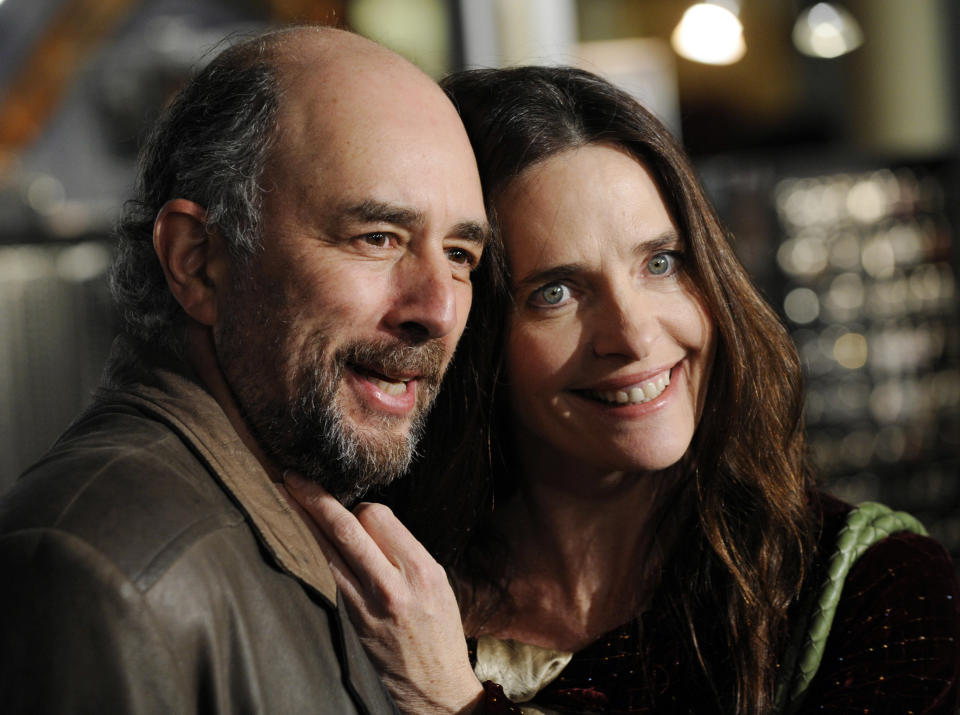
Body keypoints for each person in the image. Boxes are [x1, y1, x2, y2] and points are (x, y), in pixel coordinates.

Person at [285, 65, 960, 714]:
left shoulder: (875, 592)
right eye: (556, 291)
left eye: (660, 263)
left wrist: (449, 702)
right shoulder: (368, 584)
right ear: (471, 329)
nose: (634, 335)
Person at [0, 26, 491, 713]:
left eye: (461, 254)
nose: (437, 309)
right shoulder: (96, 573)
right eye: (377, 238)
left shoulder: (310, 507)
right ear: (197, 260)